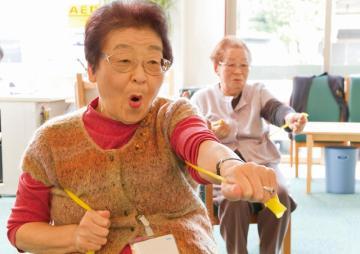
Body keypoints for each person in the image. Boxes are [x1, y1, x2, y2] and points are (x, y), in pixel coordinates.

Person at [7, 2, 278, 254]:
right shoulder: (52, 142)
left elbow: (200, 144)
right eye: (124, 61)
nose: (140, 76)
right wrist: (74, 236)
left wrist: (230, 166)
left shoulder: (172, 115)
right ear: (91, 69)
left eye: (152, 63)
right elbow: (20, 229)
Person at [191, 36, 308, 254]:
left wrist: (291, 118)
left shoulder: (258, 92)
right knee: (233, 197)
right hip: (225, 173)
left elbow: (276, 110)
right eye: (232, 65)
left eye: (244, 65)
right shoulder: (201, 98)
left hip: (262, 164)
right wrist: (212, 133)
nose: (239, 71)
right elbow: (192, 138)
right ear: (217, 67)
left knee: (279, 191)